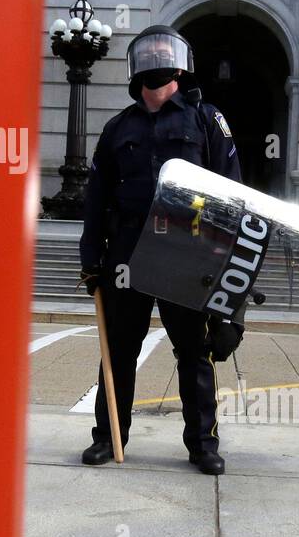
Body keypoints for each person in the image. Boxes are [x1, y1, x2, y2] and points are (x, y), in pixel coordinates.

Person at [78, 25, 242, 474]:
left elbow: (232, 192)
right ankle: (109, 437)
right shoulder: (118, 128)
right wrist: (91, 257)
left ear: (179, 61)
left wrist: (226, 272)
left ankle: (203, 444)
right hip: (128, 253)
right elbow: (96, 197)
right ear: (135, 67)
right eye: (146, 51)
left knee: (194, 351)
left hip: (185, 252)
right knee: (119, 350)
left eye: (162, 50)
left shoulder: (207, 119)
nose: (154, 57)